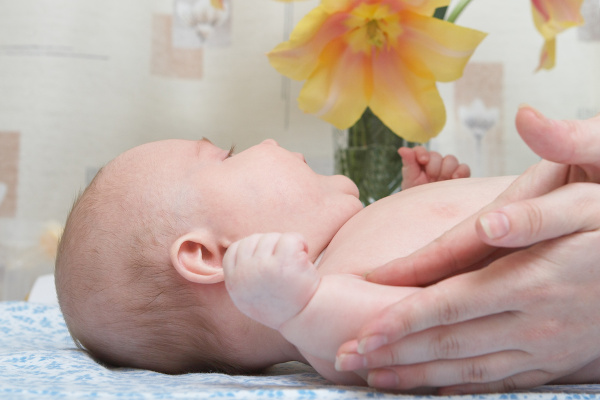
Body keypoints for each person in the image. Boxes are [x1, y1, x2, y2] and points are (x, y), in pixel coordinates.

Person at [55, 133, 513, 386]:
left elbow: (426, 270)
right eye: (227, 156)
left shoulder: (344, 253)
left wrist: (423, 202)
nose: (268, 141)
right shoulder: (322, 312)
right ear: (207, 255)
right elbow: (383, 336)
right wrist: (301, 308)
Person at [335, 105, 600, 394]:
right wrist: (299, 303)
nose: (275, 143)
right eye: (275, 151)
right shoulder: (329, 266)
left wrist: (426, 199)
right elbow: (366, 327)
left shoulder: (353, 234)